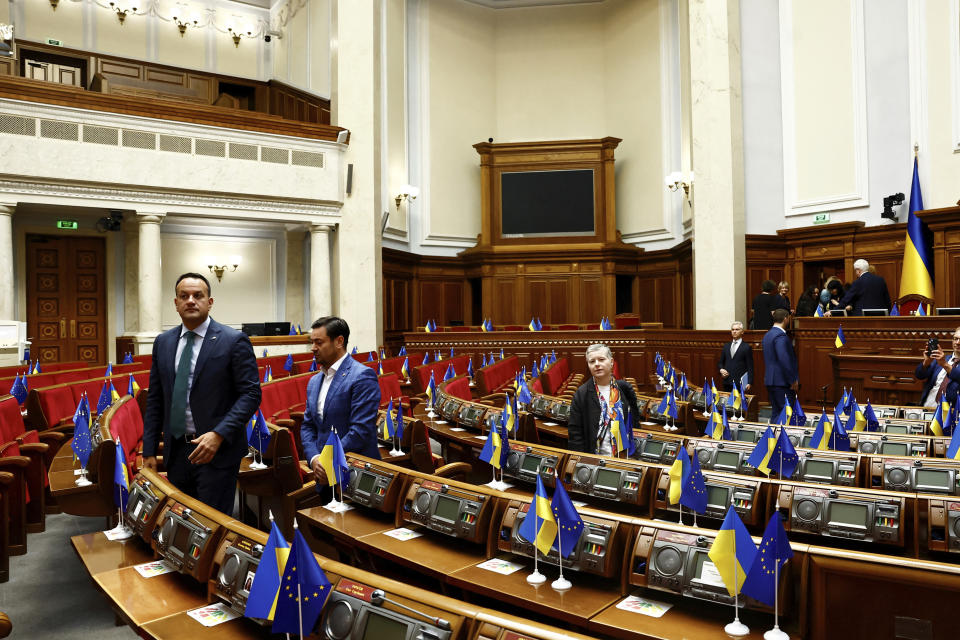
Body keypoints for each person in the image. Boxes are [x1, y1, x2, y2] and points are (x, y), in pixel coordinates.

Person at [142, 273, 261, 514]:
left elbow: (250, 394)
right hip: (176, 452)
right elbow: (156, 398)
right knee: (181, 521)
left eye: (198, 295)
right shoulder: (163, 342)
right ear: (175, 303)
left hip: (216, 452)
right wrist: (150, 450)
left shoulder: (233, 340)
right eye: (184, 296)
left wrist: (218, 434)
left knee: (212, 526)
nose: (191, 301)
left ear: (210, 301)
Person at [300, 316, 381, 487]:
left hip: (355, 475)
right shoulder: (314, 381)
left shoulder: (362, 376)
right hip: (322, 473)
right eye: (312, 342)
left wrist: (326, 458)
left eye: (319, 342)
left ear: (339, 341)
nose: (313, 348)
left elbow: (360, 430)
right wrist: (314, 458)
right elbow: (308, 426)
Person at [567, 344, 640, 454]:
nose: (597, 364)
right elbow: (575, 434)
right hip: (595, 458)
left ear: (611, 362)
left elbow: (635, 424)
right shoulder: (581, 394)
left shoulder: (625, 389)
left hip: (624, 456)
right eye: (592, 361)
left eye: (601, 359)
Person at [762, 308, 798, 421]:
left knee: (776, 413)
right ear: (786, 319)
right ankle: (781, 438)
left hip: (771, 380)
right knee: (786, 414)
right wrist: (792, 380)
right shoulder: (781, 336)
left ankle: (773, 438)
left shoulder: (767, 335)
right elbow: (784, 359)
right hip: (782, 382)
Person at [916, 327, 960, 408]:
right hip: (927, 408)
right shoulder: (943, 359)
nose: (958, 342)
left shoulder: (942, 361)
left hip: (950, 415)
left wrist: (944, 364)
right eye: (955, 339)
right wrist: (926, 363)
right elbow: (919, 375)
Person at [718, 321, 753, 392]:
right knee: (728, 403)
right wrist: (721, 369)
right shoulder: (726, 346)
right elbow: (720, 363)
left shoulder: (746, 347)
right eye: (732, 329)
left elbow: (750, 366)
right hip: (727, 382)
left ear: (742, 332)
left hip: (740, 383)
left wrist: (749, 382)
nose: (734, 331)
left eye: (737, 329)